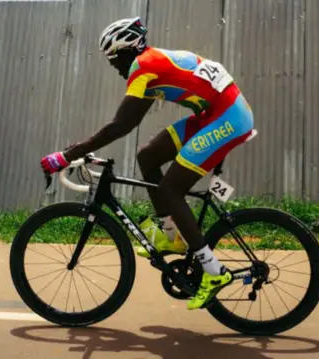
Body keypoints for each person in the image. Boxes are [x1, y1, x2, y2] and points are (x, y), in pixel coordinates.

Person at [40, 17, 254, 310]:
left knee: (170, 190)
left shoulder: (145, 67)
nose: (114, 67)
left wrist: (65, 156)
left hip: (228, 118)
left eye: (113, 59)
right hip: (215, 112)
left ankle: (214, 272)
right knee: (148, 155)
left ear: (127, 50)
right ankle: (171, 234)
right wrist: (76, 149)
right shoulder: (152, 62)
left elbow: (121, 125)